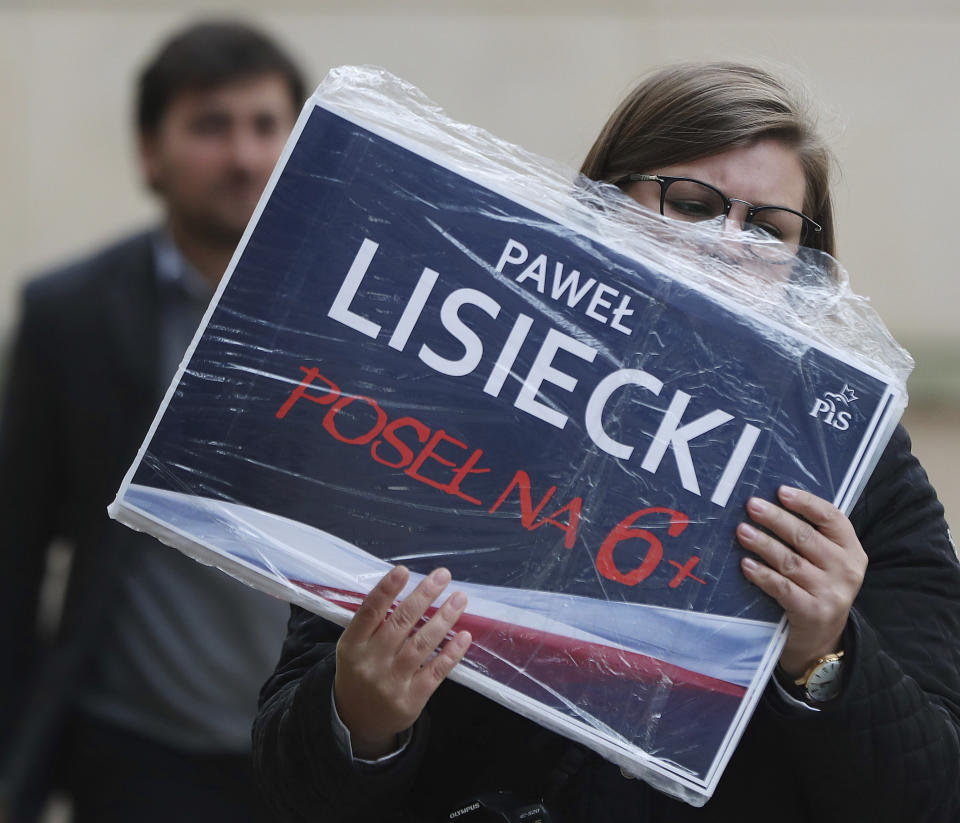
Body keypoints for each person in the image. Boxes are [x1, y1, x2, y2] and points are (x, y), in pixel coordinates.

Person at [252, 63, 960, 822]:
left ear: (807, 269)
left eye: (768, 228)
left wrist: (823, 652)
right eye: (690, 205)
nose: (728, 245)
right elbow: (291, 785)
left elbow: (931, 792)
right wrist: (360, 718)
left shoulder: (858, 473)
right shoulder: (447, 402)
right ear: (600, 202)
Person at [0, 20, 306, 823]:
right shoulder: (69, 315)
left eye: (266, 125)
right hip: (140, 755)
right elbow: (17, 550)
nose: (243, 156)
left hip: (322, 757)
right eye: (211, 125)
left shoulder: (364, 321)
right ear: (149, 152)